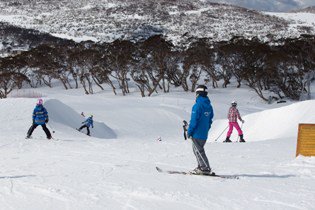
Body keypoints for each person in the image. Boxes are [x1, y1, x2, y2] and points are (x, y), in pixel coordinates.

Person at [187, 85, 214, 175]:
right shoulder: (209, 106)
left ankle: (205, 168)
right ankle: (201, 166)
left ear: (198, 94)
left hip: (197, 133)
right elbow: (210, 120)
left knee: (198, 151)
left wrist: (189, 131)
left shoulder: (197, 106)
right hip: (204, 133)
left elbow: (194, 120)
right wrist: (206, 129)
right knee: (198, 150)